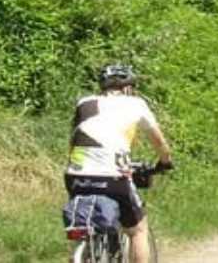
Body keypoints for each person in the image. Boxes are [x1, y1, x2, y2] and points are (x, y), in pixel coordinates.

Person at [65, 65, 173, 263]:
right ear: (127, 88)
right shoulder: (135, 104)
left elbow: (74, 139)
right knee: (138, 230)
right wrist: (165, 161)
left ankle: (85, 249)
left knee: (84, 214)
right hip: (112, 175)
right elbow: (158, 141)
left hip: (75, 175)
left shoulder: (84, 102)